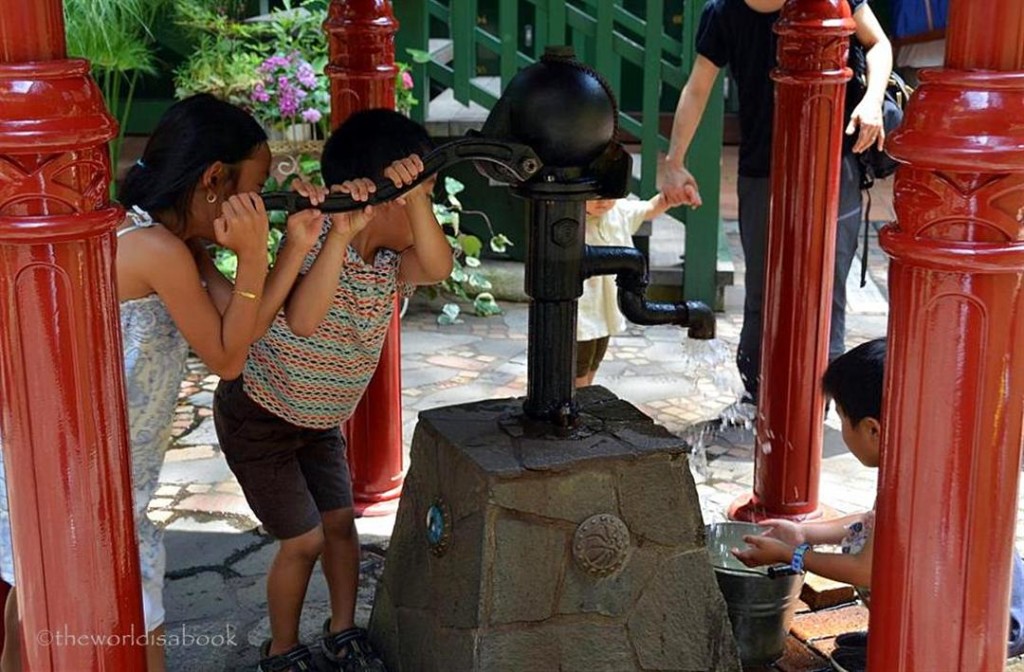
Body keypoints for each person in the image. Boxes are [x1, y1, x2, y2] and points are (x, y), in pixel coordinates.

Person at [0, 93, 328, 671]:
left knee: (32, 624)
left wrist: (293, 245)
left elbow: (243, 325)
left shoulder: (166, 240)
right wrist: (253, 254)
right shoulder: (155, 251)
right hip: (89, 486)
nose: (257, 202)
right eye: (251, 187)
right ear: (212, 179)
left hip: (82, 473)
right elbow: (230, 359)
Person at [213, 109, 452, 672]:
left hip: (319, 422)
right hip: (262, 416)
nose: (428, 214)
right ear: (386, 201)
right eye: (423, 201)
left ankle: (342, 630)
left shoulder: (394, 263)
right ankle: (282, 648)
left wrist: (413, 198)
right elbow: (302, 319)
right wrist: (340, 236)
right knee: (304, 539)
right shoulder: (325, 239)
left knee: (342, 527)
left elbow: (438, 266)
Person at [732, 338, 1024, 671]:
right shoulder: (930, 457)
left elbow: (866, 569)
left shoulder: (908, 482)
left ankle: (912, 650)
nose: (840, 429)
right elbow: (874, 522)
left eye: (841, 417)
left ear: (873, 429)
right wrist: (802, 533)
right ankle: (902, 637)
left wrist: (790, 555)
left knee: (871, 560)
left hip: (980, 632)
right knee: (868, 541)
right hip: (1000, 612)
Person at [661, 0, 893, 413]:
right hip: (761, 165)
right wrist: (674, 161)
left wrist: (872, 100)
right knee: (762, 292)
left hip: (831, 165)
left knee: (826, 287)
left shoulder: (831, 1)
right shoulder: (724, 12)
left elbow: (878, 44)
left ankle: (818, 400)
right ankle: (757, 395)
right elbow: (697, 87)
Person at [576, 194, 679, 387]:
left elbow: (648, 209)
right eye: (595, 196)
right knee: (578, 364)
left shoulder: (619, 211)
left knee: (595, 359)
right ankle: (579, 405)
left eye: (609, 195)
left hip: (605, 309)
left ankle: (585, 397)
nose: (604, 201)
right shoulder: (571, 217)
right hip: (580, 310)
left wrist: (667, 198)